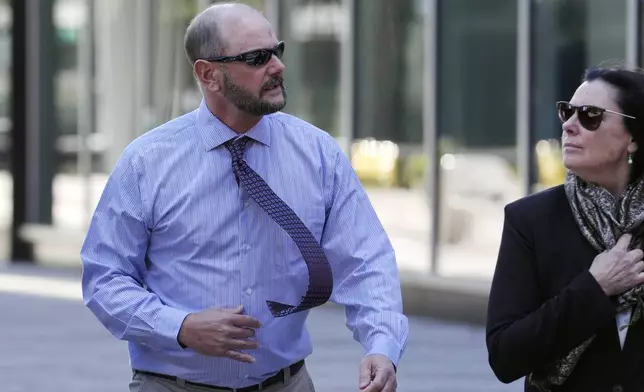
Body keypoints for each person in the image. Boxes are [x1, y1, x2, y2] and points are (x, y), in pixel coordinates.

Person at [80, 3, 408, 392]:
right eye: (257, 58)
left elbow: (365, 259)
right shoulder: (147, 162)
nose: (278, 66)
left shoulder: (318, 154)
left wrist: (382, 344)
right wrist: (180, 327)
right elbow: (105, 277)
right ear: (208, 74)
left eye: (277, 51)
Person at [486, 65, 644, 392]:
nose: (570, 125)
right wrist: (594, 288)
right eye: (566, 112)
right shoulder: (530, 220)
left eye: (590, 115)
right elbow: (505, 355)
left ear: (633, 139)